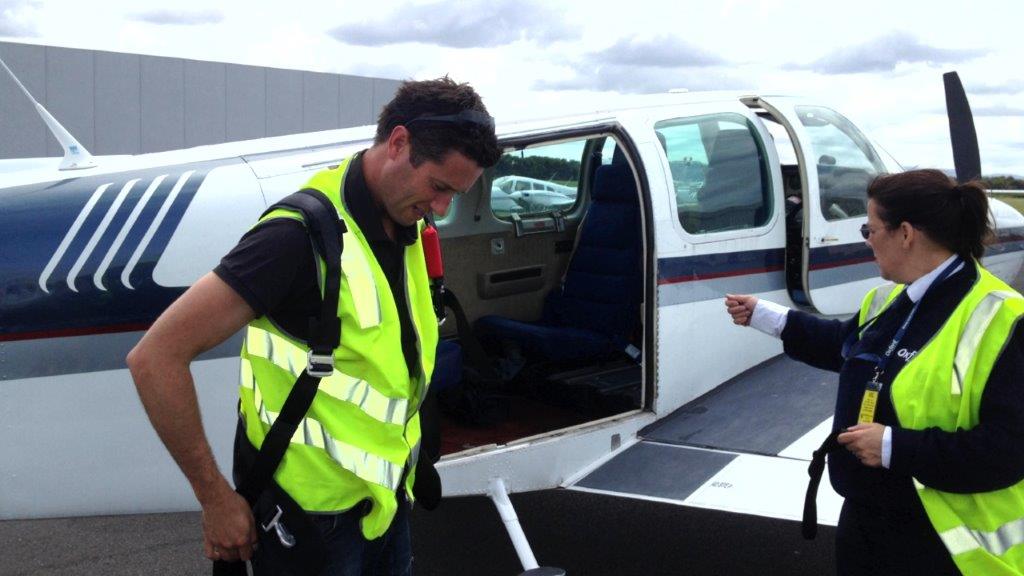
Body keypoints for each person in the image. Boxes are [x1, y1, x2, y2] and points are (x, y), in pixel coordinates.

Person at [127, 77, 501, 575]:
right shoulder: (296, 237)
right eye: (439, 187)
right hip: (311, 520)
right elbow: (154, 357)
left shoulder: (409, 224)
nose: (442, 209)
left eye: (455, 194)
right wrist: (215, 499)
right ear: (398, 143)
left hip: (385, 502)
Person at [724, 169, 1024, 576]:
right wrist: (769, 318)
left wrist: (893, 447)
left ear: (905, 233)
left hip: (945, 544)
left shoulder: (1005, 319)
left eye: (870, 229)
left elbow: (1007, 452)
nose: (865, 241)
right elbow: (852, 350)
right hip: (869, 524)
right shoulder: (889, 298)